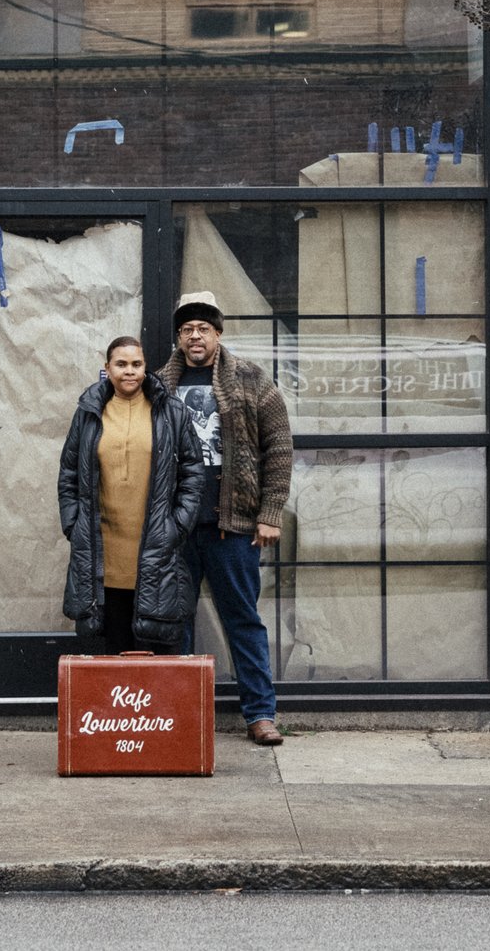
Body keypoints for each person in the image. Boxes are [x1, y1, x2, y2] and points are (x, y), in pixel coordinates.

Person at [159, 292, 293, 745]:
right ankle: (175, 717)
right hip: (177, 527)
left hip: (232, 525)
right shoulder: (159, 384)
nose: (194, 336)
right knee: (172, 621)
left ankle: (260, 715)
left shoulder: (252, 379)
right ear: (179, 336)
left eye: (203, 328)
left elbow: (279, 447)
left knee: (242, 619)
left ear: (218, 333)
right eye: (186, 329)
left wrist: (270, 513)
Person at [58, 336, 203, 654]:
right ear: (107, 367)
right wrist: (74, 523)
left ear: (145, 367)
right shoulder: (89, 411)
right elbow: (68, 474)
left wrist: (176, 527)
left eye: (136, 364)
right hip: (103, 552)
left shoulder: (170, 412)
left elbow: (193, 474)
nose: (129, 371)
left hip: (154, 549)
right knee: (113, 648)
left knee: (155, 652)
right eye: (121, 364)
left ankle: (151, 707)